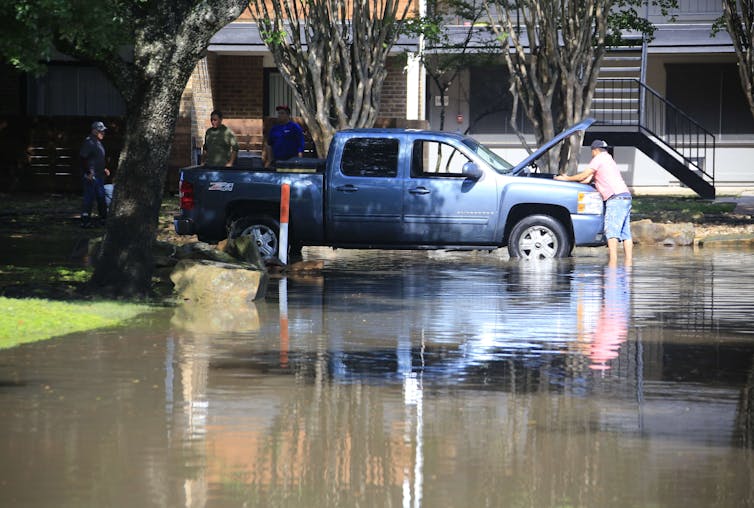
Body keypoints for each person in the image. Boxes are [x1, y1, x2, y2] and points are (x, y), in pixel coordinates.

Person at [555, 139, 633, 266]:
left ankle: (612, 263)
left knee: (611, 231)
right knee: (626, 233)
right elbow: (586, 180)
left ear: (595, 150)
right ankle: (628, 264)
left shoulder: (598, 158)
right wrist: (573, 182)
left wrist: (566, 179)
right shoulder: (609, 159)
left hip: (615, 198)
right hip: (626, 196)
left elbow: (583, 176)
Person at [79, 121, 110, 228]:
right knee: (89, 198)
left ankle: (103, 219)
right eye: (101, 131)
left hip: (99, 176)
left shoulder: (98, 142)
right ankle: (85, 220)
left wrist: (103, 168)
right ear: (94, 131)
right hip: (91, 176)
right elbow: (83, 158)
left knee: (101, 198)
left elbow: (96, 158)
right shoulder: (89, 142)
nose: (103, 133)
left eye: (103, 131)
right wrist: (88, 172)